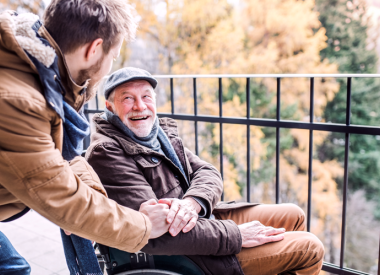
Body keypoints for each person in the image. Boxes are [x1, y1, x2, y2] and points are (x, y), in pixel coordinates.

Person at [86, 67, 326, 275]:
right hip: (190, 252)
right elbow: (154, 235)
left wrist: (192, 203)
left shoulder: (156, 134)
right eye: (128, 98)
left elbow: (207, 172)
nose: (140, 106)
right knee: (310, 248)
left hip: (202, 220)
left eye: (146, 96)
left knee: (293, 214)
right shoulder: (107, 151)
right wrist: (237, 235)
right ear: (109, 106)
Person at [0, 2, 170, 274]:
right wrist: (144, 226)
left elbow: (64, 157)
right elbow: (62, 198)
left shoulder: (38, 71)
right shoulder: (18, 101)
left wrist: (94, 196)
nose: (109, 67)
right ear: (94, 50)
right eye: (112, 56)